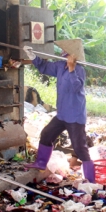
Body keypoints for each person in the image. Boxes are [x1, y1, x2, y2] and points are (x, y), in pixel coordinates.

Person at [22, 42, 95, 183]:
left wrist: (72, 69)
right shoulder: (59, 66)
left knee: (79, 148)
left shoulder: (79, 70)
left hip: (75, 115)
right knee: (46, 134)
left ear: (71, 55)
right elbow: (44, 67)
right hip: (62, 114)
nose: (61, 51)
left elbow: (76, 87)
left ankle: (91, 180)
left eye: (64, 49)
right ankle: (41, 163)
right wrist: (32, 55)